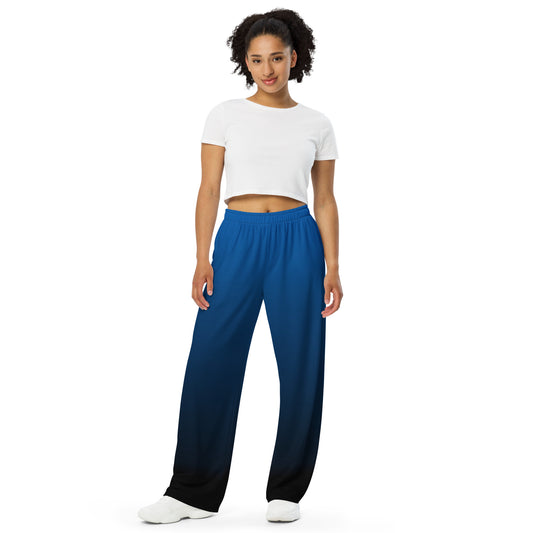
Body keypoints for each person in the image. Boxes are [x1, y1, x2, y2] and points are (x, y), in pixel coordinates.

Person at [138, 8, 343, 525]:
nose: (267, 69)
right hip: (237, 239)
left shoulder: (317, 124)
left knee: (301, 363)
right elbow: (209, 188)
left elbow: (324, 199)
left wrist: (333, 265)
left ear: (294, 58)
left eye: (276, 58)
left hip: (298, 240)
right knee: (211, 359)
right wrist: (201, 256)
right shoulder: (225, 114)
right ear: (244, 62)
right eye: (256, 60)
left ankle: (287, 490)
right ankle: (192, 491)